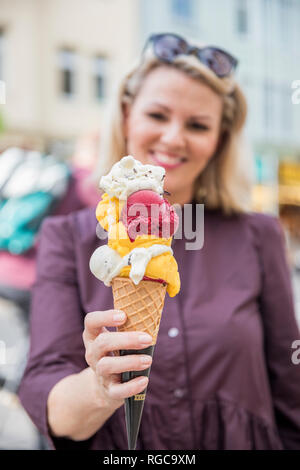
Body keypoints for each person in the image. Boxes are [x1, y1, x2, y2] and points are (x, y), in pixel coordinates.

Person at [18, 33, 300, 450]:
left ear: (219, 140)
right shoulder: (67, 237)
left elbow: (290, 380)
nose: (173, 137)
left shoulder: (257, 235)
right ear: (127, 116)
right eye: (157, 115)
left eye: (198, 124)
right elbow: (46, 398)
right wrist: (98, 386)